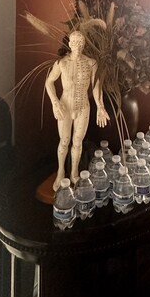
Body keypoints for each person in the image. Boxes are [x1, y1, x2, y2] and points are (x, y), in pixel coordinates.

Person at [45, 30, 109, 191]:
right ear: (70, 44)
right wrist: (55, 103)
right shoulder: (62, 63)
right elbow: (49, 82)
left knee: (78, 141)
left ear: (84, 44)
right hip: (65, 106)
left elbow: (96, 86)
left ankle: (74, 172)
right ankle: (61, 171)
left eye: (80, 43)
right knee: (64, 140)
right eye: (74, 42)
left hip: (83, 107)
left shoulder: (91, 63)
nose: (77, 46)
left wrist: (100, 106)